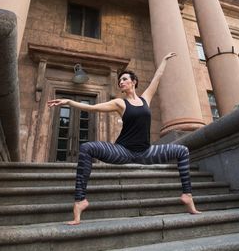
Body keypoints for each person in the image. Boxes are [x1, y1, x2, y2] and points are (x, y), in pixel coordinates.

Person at [47, 52, 200, 225]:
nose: (121, 82)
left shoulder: (145, 99)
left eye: (125, 79)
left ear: (133, 82)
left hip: (146, 152)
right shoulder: (120, 103)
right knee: (87, 148)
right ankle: (80, 201)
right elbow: (94, 108)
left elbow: (157, 78)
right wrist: (69, 102)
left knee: (182, 151)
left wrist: (164, 60)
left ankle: (187, 196)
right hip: (123, 151)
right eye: (120, 81)